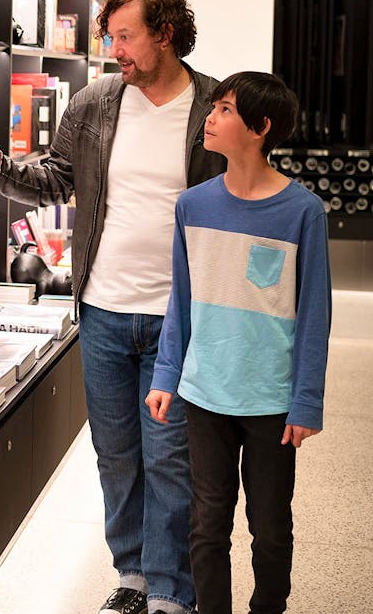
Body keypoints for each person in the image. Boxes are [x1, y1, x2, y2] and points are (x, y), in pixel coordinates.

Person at [0, 0, 226, 614]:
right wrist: (1, 169)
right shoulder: (95, 102)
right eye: (109, 37)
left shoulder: (213, 108)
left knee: (170, 459)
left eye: (124, 37)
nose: (115, 50)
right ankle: (134, 577)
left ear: (164, 33)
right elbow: (56, 179)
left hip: (177, 318)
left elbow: (240, 199)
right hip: (105, 311)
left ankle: (171, 590)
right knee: (116, 455)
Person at [146, 71, 331, 614]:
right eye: (215, 106)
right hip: (204, 393)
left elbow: (314, 315)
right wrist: (165, 376)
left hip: (272, 401)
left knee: (270, 528)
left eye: (225, 109)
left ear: (260, 127)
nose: (210, 117)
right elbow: (181, 302)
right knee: (206, 525)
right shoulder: (193, 206)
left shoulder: (303, 212)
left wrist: (306, 400)